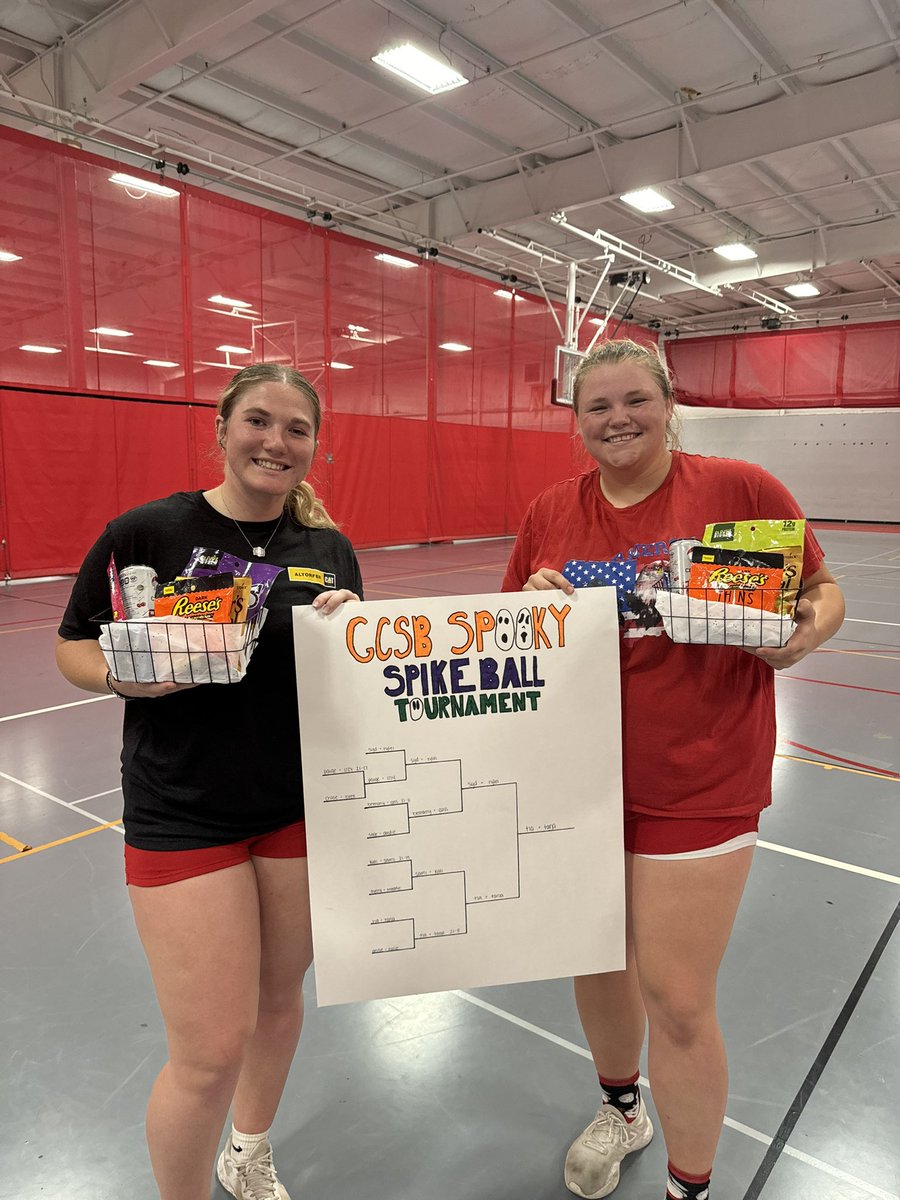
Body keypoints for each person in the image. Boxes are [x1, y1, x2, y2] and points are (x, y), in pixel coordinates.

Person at [501, 339, 844, 1200]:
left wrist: (806, 632)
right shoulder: (552, 509)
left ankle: (690, 1187)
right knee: (598, 963)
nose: (617, 420)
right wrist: (528, 610)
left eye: (634, 402)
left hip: (698, 780)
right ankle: (622, 1111)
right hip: (578, 782)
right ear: (575, 422)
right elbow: (508, 627)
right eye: (597, 408)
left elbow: (821, 589)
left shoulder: (737, 489)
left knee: (679, 1000)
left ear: (667, 404)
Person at [57, 363, 363, 1200]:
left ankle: (249, 1149)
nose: (277, 441)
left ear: (314, 447)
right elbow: (73, 646)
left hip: (297, 811)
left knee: (277, 1003)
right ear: (221, 429)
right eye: (259, 421)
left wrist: (353, 633)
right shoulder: (148, 532)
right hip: (184, 813)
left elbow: (355, 674)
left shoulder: (328, 550)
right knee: (208, 1051)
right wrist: (129, 678)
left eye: (297, 429)